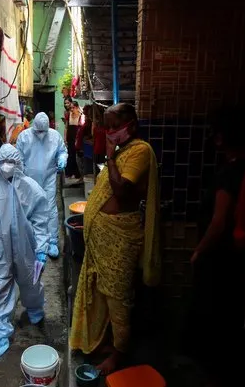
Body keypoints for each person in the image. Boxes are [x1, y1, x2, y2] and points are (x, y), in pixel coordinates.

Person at [69, 103, 161, 375]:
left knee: (118, 296)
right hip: (102, 237)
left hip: (121, 236)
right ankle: (107, 341)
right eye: (105, 126)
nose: (108, 132)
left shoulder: (141, 152)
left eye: (112, 127)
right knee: (101, 292)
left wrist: (109, 158)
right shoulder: (123, 151)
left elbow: (121, 191)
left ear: (130, 125)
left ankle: (120, 353)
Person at [186, 106, 245, 386]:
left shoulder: (229, 173)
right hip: (236, 257)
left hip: (219, 258)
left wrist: (199, 251)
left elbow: (219, 222)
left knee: (214, 317)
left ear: (221, 138)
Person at [0, 144, 50, 360]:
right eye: (3, 162)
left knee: (30, 280)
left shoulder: (31, 187)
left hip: (27, 245)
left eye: (12, 162)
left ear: (19, 163)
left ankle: (35, 307)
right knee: (0, 286)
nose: (7, 167)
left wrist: (42, 248)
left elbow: (41, 220)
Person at [16, 112, 68, 259]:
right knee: (29, 210)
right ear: (34, 127)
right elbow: (18, 159)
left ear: (47, 128)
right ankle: (30, 241)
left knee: (50, 209)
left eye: (43, 132)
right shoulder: (24, 137)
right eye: (38, 131)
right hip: (28, 180)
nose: (41, 135)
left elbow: (62, 151)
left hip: (48, 178)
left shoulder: (55, 136)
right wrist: (20, 177)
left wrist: (62, 158)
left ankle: (51, 241)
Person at [65, 101, 84, 180]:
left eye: (73, 108)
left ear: (77, 107)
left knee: (77, 156)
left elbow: (81, 128)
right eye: (70, 108)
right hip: (70, 138)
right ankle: (70, 173)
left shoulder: (81, 116)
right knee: (70, 155)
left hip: (77, 138)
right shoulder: (68, 115)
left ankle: (77, 173)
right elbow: (66, 127)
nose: (71, 109)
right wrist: (65, 138)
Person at [75, 105, 94, 182]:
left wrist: (87, 139)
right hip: (81, 146)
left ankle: (83, 178)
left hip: (84, 147)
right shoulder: (87, 122)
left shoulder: (90, 123)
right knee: (82, 164)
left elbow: (91, 135)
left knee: (83, 164)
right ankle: (82, 178)